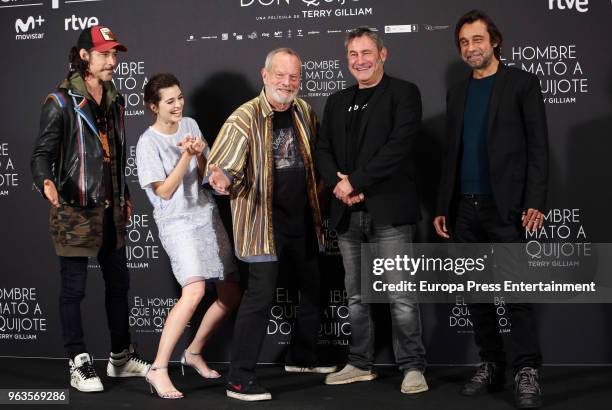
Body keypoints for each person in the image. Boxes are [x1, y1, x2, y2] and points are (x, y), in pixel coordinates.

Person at [433, 10, 548, 409]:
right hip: (464, 209)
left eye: (477, 40)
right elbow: (453, 154)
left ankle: (527, 370)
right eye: (464, 42)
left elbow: (538, 148)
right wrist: (443, 204)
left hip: (507, 209)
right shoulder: (457, 90)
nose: (470, 48)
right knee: (475, 293)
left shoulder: (522, 84)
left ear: (494, 41)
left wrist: (534, 202)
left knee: (515, 294)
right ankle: (492, 363)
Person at [206, 47, 335, 402]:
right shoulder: (242, 118)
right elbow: (222, 166)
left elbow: (319, 158)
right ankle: (239, 378)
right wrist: (221, 179)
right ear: (265, 76)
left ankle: (302, 357)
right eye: (280, 75)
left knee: (312, 286)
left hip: (304, 218)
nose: (287, 82)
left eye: (293, 76)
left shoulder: (304, 110)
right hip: (263, 224)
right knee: (259, 299)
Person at [30, 25, 149, 393]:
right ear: (84, 56)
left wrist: (124, 193)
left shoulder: (115, 98)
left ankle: (120, 357)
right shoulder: (60, 101)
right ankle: (77, 361)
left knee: (119, 284)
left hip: (112, 207)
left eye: (114, 54)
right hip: (75, 208)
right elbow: (41, 155)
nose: (113, 61)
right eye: (104, 55)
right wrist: (46, 182)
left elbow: (114, 155)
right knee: (74, 288)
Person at [315, 26, 427, 394]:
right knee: (356, 296)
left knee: (401, 295)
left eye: (366, 53)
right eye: (353, 55)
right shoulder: (336, 101)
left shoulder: (404, 93)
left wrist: (355, 182)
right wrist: (338, 184)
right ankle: (359, 363)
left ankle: (412, 367)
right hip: (346, 213)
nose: (359, 60)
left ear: (382, 54)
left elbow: (398, 148)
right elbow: (323, 150)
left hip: (389, 212)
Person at [135, 73, 242, 399]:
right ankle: (158, 369)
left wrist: (197, 154)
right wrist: (184, 156)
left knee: (231, 293)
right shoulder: (147, 143)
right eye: (170, 101)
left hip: (206, 215)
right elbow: (165, 192)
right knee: (194, 291)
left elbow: (207, 173)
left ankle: (193, 352)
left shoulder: (191, 125)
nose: (178, 105)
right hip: (177, 222)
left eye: (180, 97)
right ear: (154, 106)